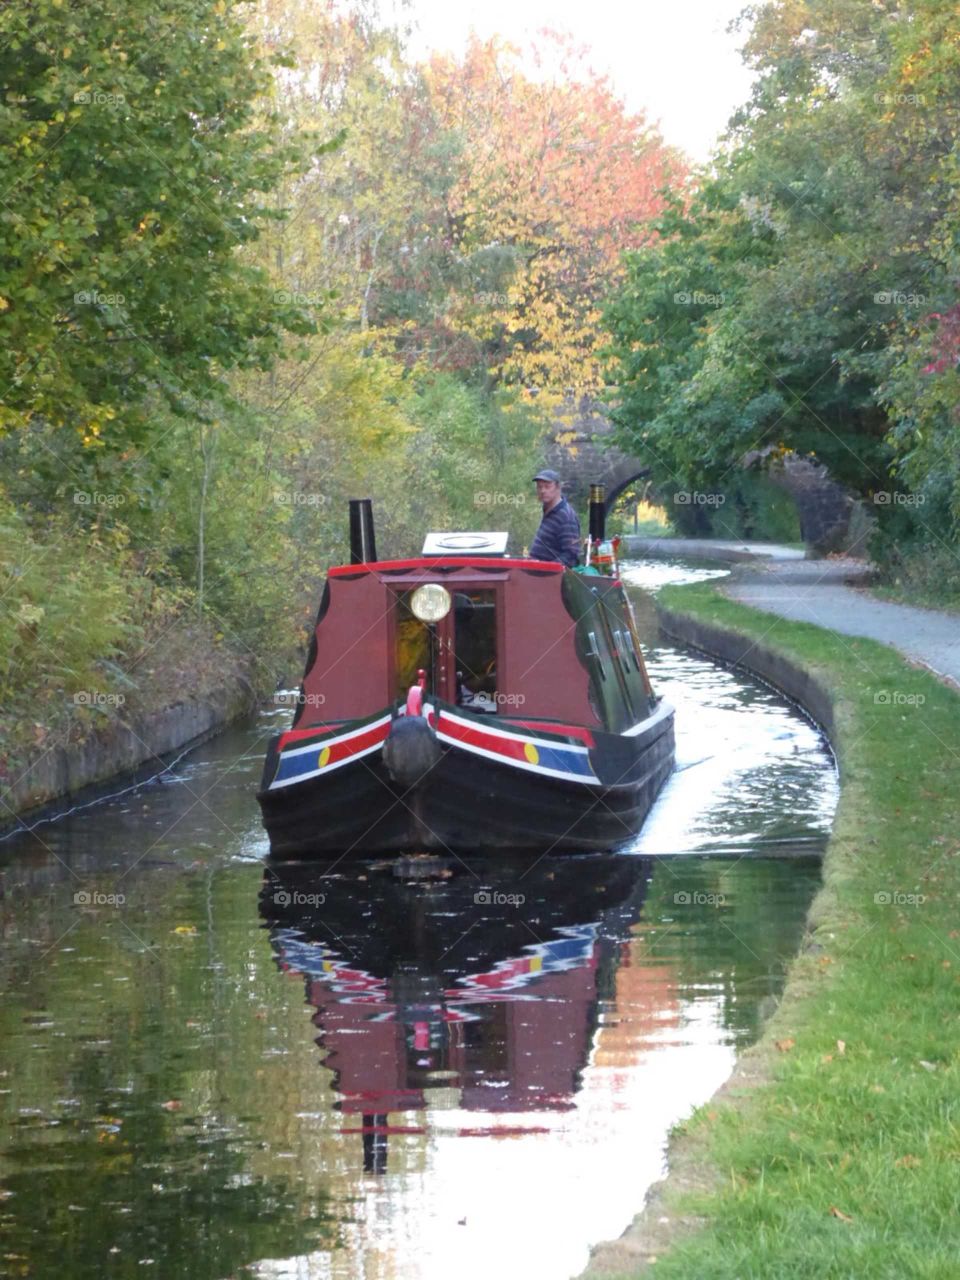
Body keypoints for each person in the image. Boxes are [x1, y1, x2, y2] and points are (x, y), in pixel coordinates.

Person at [529, 469, 581, 567]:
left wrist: (547, 569)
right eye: (539, 487)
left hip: (550, 578)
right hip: (536, 574)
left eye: (547, 486)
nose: (542, 491)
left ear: (558, 487)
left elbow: (571, 554)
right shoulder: (549, 511)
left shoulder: (566, 516)